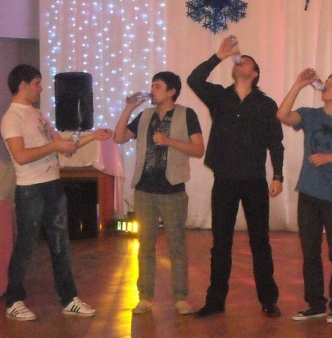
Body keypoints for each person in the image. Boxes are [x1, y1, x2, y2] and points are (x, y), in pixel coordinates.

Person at [1, 64, 112, 321]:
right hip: (30, 189)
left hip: (52, 185)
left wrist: (93, 136)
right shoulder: (12, 118)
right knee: (26, 245)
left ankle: (69, 299)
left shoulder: (37, 114)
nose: (40, 89)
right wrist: (53, 146)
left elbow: (65, 147)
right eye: (37, 84)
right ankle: (14, 301)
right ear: (23, 85)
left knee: (61, 244)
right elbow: (20, 156)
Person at [187, 35, 284, 318]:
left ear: (255, 73)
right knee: (221, 242)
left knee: (260, 241)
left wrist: (278, 175)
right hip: (225, 179)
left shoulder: (266, 104)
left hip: (254, 180)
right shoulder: (219, 97)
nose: (241, 62)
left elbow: (276, 143)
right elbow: (194, 79)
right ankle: (215, 301)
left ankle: (268, 300)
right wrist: (218, 56)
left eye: (247, 62)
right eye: (239, 60)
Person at [277, 69, 332, 324]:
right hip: (308, 194)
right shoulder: (311, 115)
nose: (326, 85)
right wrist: (298, 84)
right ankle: (315, 304)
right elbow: (282, 115)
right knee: (310, 253)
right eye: (326, 82)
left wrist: (330, 157)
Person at [113, 71, 204, 315]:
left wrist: (169, 141)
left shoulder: (187, 114)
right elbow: (119, 137)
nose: (152, 90)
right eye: (152, 85)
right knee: (145, 246)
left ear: (172, 91)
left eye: (158, 86)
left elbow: (199, 149)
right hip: (144, 190)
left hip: (173, 190)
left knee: (177, 246)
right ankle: (145, 296)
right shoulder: (145, 115)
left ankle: (180, 297)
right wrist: (128, 108)